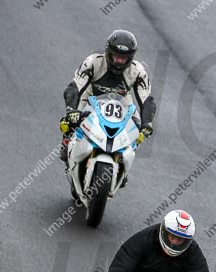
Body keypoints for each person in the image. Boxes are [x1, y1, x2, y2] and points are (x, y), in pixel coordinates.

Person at [60, 29, 157, 178]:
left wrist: (147, 123)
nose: (118, 61)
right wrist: (71, 110)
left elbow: (147, 99)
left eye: (123, 59)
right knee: (71, 121)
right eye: (116, 57)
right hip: (91, 95)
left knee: (137, 130)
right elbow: (74, 87)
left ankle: (122, 163)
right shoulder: (93, 62)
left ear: (130, 57)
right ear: (108, 52)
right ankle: (67, 143)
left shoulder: (138, 72)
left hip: (122, 100)